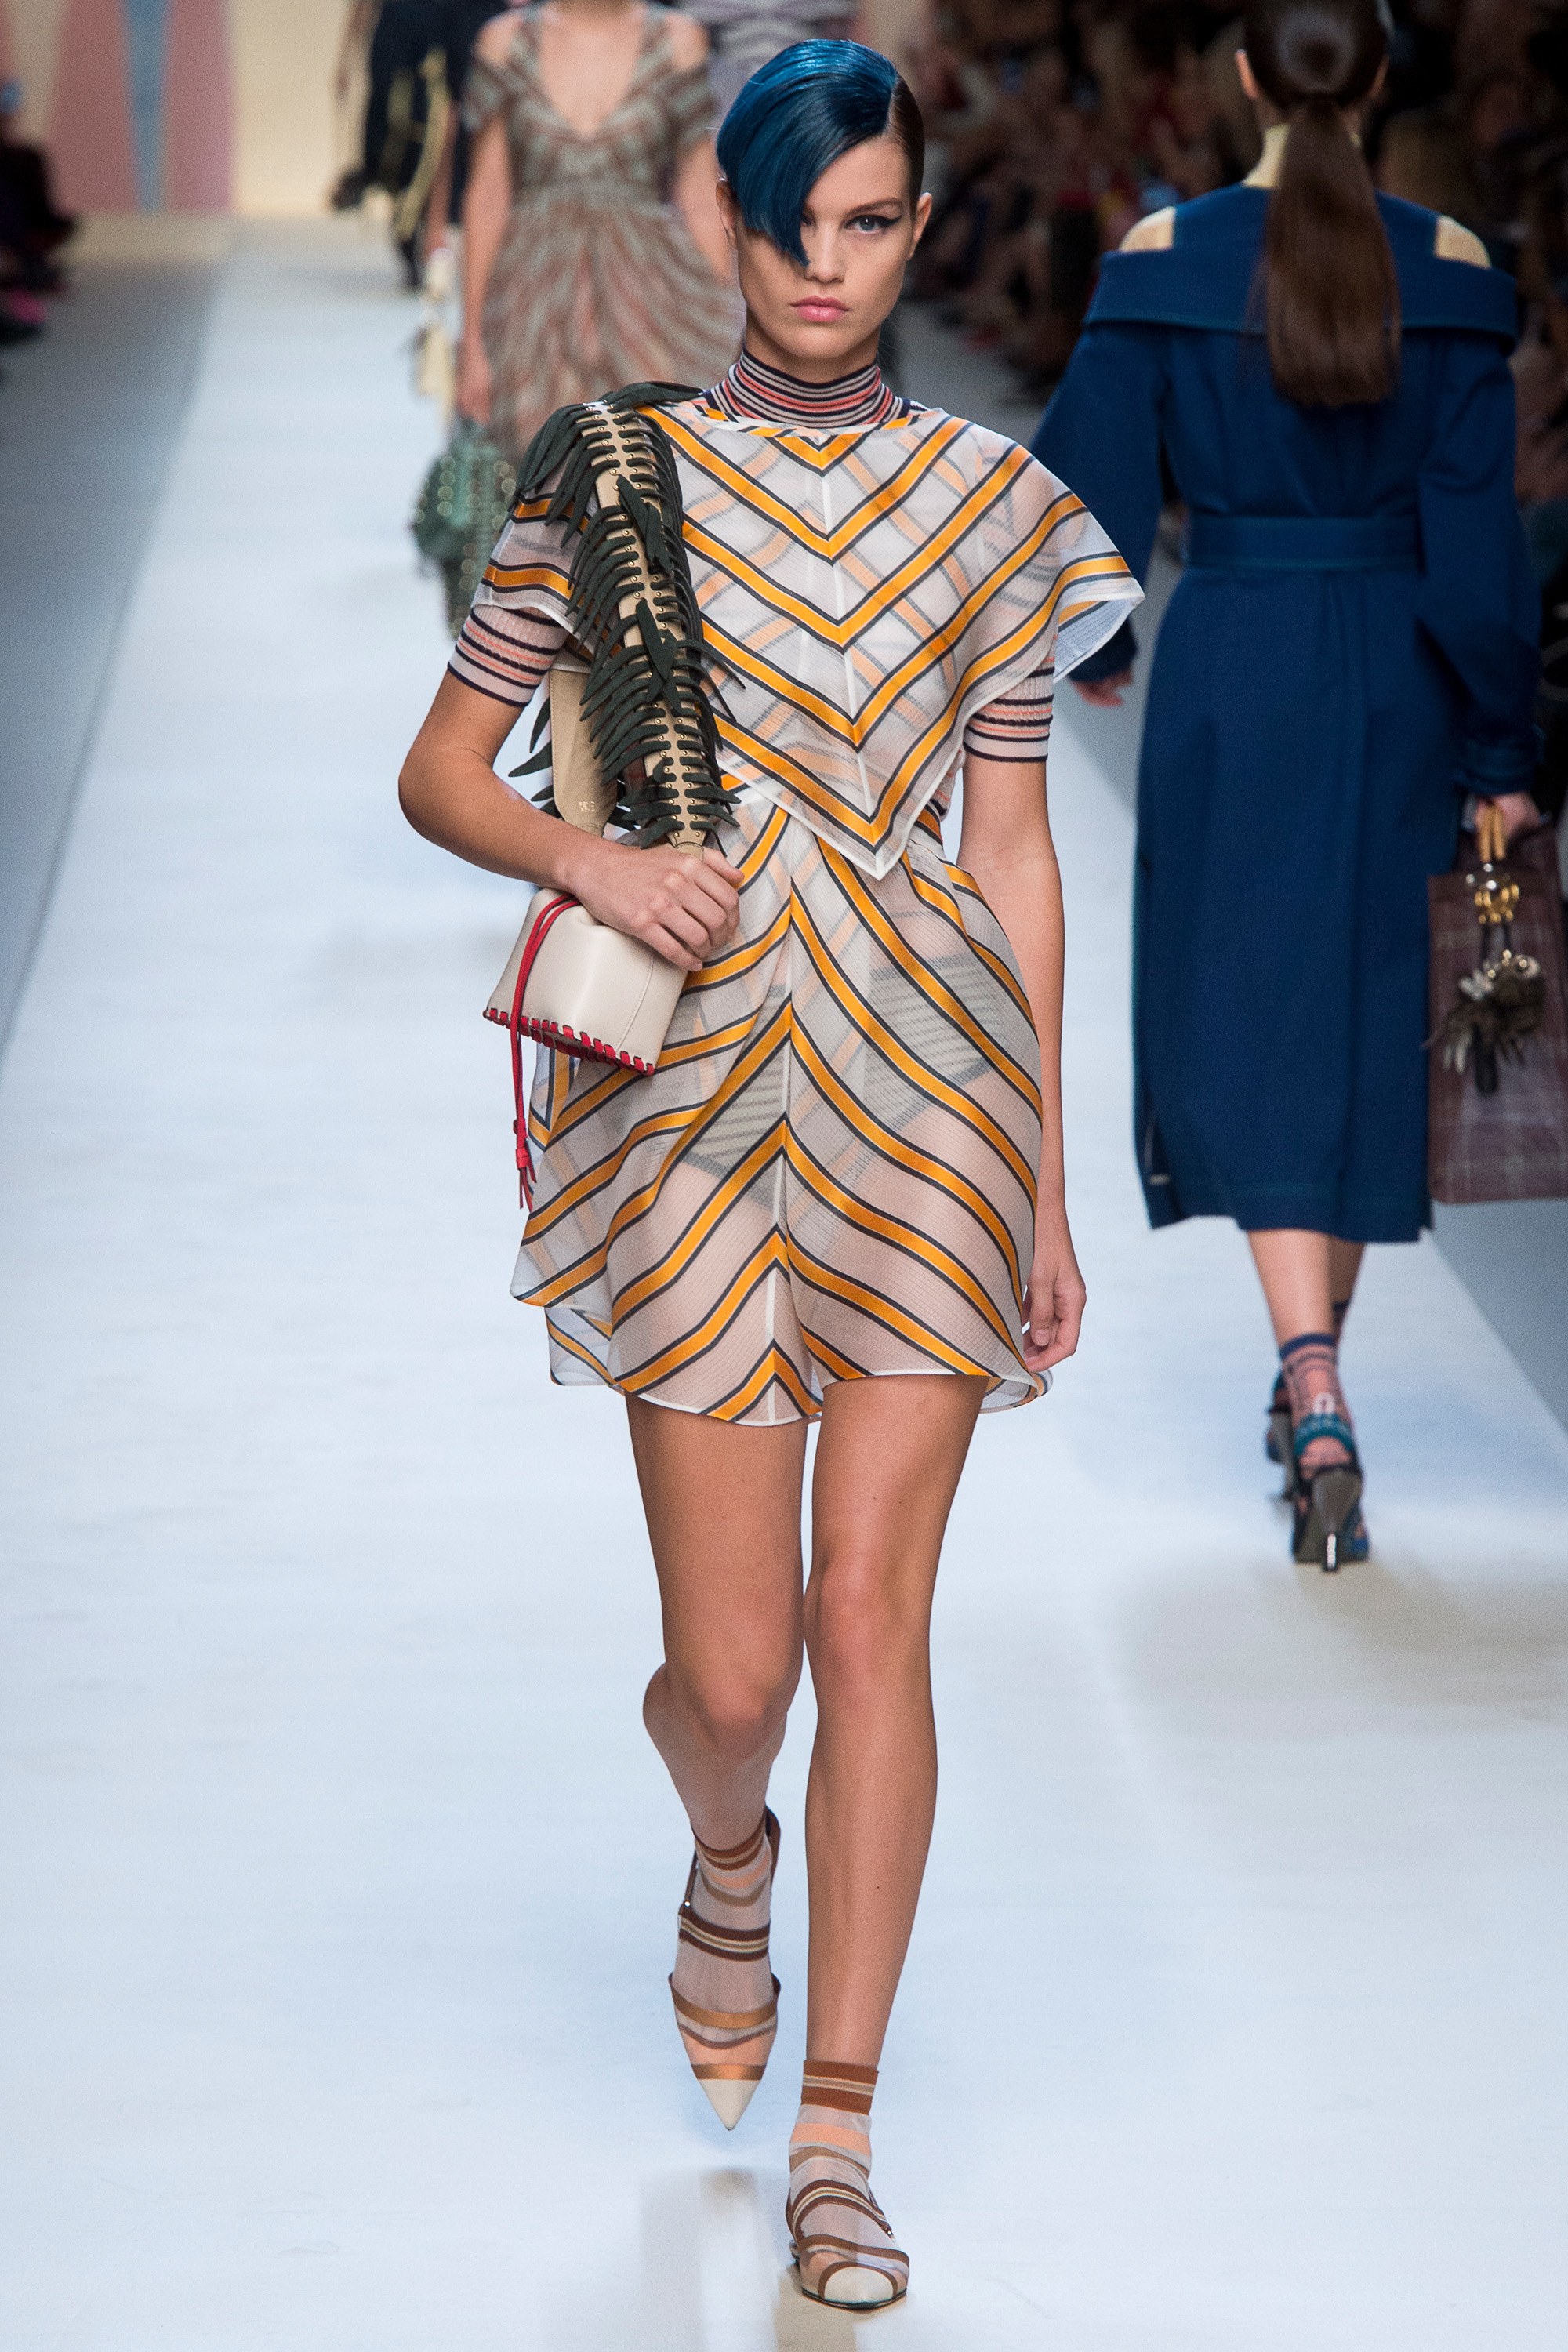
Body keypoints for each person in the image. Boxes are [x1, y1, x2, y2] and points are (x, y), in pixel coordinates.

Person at [401, 40, 1137, 2307]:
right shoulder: (608, 477)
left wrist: (1040, 1182)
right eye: (795, 220)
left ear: (916, 231)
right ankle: (729, 1853)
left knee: (867, 1618)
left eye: (874, 222)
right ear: (724, 218)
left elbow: (1012, 849)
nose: (831, 267)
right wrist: (591, 860)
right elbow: (442, 766)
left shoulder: (999, 506)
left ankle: (839, 2132)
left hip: (927, 1102)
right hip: (693, 1107)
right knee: (730, 1682)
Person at [1036, 0, 1541, 1569]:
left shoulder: (1163, 262)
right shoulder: (1447, 273)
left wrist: (1099, 642)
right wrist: (1502, 752)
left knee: (1253, 1006)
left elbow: (1074, 491)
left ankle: (1308, 1376)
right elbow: (1479, 547)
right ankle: (1318, 1366)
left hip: (1235, 664)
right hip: (1398, 670)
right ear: (1383, 81)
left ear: (1242, 75)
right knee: (1371, 1010)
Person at [456, 0, 743, 459]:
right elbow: (488, 194)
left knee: (653, 461)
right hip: (530, 303)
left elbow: (699, 193)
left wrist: (725, 323)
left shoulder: (676, 40)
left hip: (647, 297)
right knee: (539, 466)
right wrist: (471, 341)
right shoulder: (506, 42)